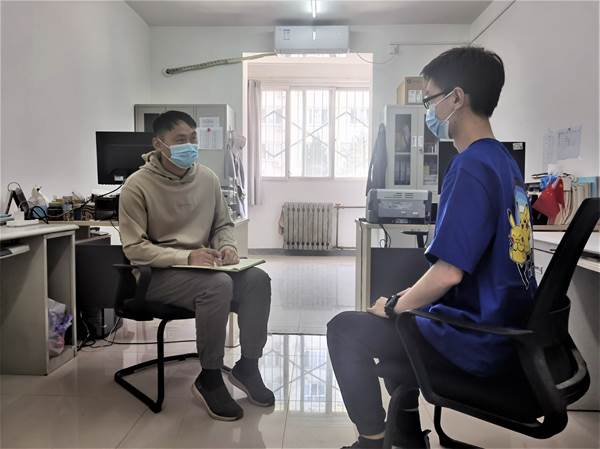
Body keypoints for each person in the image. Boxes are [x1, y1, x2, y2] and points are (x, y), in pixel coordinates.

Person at [327, 46, 537, 449]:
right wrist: (405, 300)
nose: (428, 111)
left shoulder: (470, 166)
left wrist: (393, 307)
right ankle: (406, 434)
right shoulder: (504, 162)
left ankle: (372, 441)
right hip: (506, 330)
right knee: (403, 305)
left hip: (477, 339)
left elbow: (448, 273)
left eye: (429, 100)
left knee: (345, 330)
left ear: (456, 98)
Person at [119, 110, 274, 421]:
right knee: (217, 286)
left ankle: (248, 366)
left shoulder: (207, 178)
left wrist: (227, 246)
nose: (189, 146)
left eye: (193, 139)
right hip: (160, 275)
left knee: (258, 280)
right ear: (159, 144)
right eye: (180, 140)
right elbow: (134, 249)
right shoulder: (136, 186)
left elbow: (222, 224)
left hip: (205, 269)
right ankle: (210, 376)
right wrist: (186, 257)